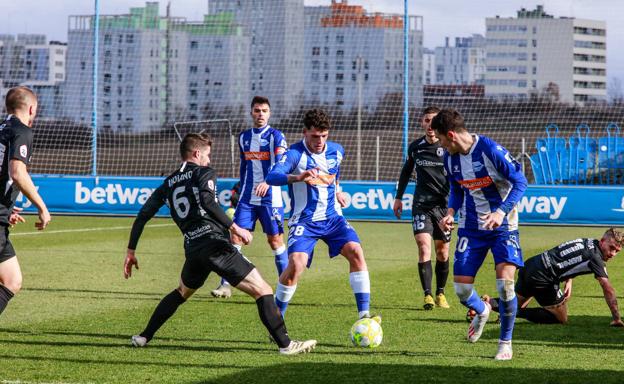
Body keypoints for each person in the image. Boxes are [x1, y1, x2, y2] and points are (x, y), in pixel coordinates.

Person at [123, 133, 316, 355]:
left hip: (193, 248)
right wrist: (237, 228)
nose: (208, 160)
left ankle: (143, 336)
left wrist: (131, 251)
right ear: (197, 153)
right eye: (207, 155)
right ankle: (286, 345)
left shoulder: (168, 182)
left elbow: (143, 215)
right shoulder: (204, 172)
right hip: (215, 244)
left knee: (181, 292)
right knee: (263, 290)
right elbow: (207, 201)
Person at [265, 108, 378, 324]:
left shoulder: (336, 151)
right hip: (305, 221)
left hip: (333, 218)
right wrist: (298, 177)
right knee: (296, 265)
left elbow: (334, 176)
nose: (320, 141)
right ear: (304, 132)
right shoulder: (294, 154)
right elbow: (272, 177)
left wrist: (338, 190)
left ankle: (364, 317)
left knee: (356, 251)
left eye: (324, 135)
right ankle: (277, 320)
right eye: (315, 136)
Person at [432, 108, 527, 361]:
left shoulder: (489, 150)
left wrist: (500, 212)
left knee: (506, 287)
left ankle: (504, 342)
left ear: (451, 135)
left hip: (503, 227)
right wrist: (451, 211)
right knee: (462, 290)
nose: (439, 144)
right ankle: (482, 310)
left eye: (440, 139)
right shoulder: (450, 158)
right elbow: (456, 187)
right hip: (471, 228)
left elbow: (521, 182)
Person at [211, 96, 288, 299]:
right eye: (257, 110)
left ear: (269, 113)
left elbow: (282, 164)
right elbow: (244, 167)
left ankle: (286, 286)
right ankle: (225, 285)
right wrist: (241, 189)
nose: (260, 114)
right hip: (247, 198)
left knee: (275, 241)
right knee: (235, 237)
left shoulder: (276, 136)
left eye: (264, 110)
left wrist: (269, 182)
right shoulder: (244, 137)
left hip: (271, 199)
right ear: (251, 113)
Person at [482, 228, 624, 327]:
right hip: (544, 277)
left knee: (515, 301)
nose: (612, 254)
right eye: (611, 248)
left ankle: (485, 305)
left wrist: (569, 280)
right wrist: (617, 318)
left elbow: (569, 255)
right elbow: (608, 288)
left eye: (617, 251)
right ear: (602, 241)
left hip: (532, 264)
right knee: (560, 318)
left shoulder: (589, 242)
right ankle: (510, 312)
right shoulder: (596, 259)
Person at [0, 86, 51, 317]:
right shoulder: (22, 132)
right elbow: (18, 172)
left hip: (1, 217)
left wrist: (6, 207)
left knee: (12, 280)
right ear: (31, 109)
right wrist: (42, 207)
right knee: (11, 280)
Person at [393, 106, 451, 310]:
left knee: (442, 252)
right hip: (421, 205)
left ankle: (440, 293)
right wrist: (398, 197)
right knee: (424, 247)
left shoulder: (448, 148)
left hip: (444, 208)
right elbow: (406, 172)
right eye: (426, 120)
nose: (430, 125)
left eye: (434, 121)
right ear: (422, 123)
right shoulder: (415, 147)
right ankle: (427, 295)